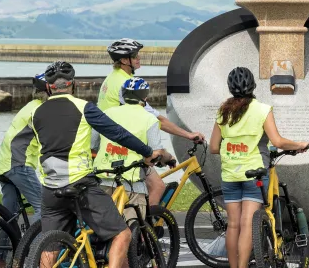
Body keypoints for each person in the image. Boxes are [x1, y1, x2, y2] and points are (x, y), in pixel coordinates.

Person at [29, 60, 165, 268]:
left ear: (48, 87)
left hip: (50, 187)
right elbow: (117, 133)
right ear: (73, 84)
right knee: (122, 234)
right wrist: (146, 152)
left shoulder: (36, 113)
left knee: (50, 247)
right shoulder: (84, 108)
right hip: (80, 185)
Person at [210, 67, 309, 268]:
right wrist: (299, 145)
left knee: (233, 225)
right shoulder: (262, 109)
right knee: (247, 224)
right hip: (253, 172)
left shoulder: (223, 111)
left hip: (230, 173)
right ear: (253, 86)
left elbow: (213, 147)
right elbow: (278, 141)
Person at [98, 37, 207, 205]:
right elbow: (157, 120)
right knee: (157, 186)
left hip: (109, 145)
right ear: (124, 60)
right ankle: (144, 230)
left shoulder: (111, 78)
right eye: (134, 56)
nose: (138, 58)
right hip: (127, 146)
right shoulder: (126, 84)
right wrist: (188, 134)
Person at [92, 77, 175, 222]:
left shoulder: (107, 113)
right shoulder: (149, 119)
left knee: (105, 226)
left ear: (122, 94)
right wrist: (168, 158)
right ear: (145, 97)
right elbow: (157, 152)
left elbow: (93, 144)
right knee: (134, 227)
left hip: (104, 177)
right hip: (132, 180)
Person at [0, 71, 48, 267]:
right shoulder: (42, 111)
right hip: (19, 164)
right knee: (44, 207)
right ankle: (31, 256)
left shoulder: (30, 106)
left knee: (9, 216)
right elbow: (46, 146)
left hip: (6, 164)